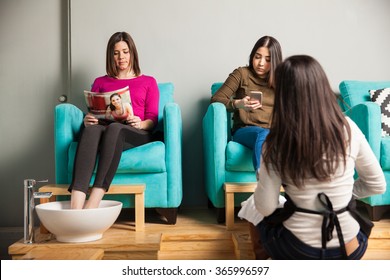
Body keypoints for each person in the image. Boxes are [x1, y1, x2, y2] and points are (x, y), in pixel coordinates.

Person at [252, 55, 386, 259]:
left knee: (252, 210)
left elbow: (265, 206)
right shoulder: (349, 127)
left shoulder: (277, 140)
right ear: (322, 88)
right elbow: (377, 185)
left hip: (298, 249)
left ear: (282, 95)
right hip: (350, 248)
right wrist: (342, 196)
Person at [68, 31, 159, 209]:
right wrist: (89, 120)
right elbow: (94, 111)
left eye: (125, 52)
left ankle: (91, 206)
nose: (121, 57)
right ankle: (75, 209)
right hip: (105, 130)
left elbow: (152, 119)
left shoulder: (148, 82)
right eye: (116, 53)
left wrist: (140, 123)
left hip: (136, 132)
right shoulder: (101, 82)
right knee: (92, 129)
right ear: (111, 56)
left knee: (115, 128)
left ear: (132, 52)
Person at [210, 35, 282, 171]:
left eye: (267, 60)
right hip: (245, 131)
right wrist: (238, 104)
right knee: (264, 134)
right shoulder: (241, 74)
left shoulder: (281, 80)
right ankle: (262, 180)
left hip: (273, 132)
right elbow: (216, 99)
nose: (261, 63)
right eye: (257, 57)